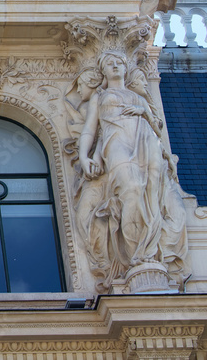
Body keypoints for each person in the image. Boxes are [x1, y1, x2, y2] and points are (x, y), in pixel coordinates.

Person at [75, 52, 188, 289]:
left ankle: (148, 257)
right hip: (117, 142)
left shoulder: (139, 96)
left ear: (126, 68)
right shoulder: (100, 95)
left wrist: (143, 112)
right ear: (103, 72)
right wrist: (85, 157)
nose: (115, 65)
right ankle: (135, 255)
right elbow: (89, 129)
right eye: (109, 63)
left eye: (119, 62)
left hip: (146, 142)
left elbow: (157, 128)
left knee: (151, 191)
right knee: (132, 188)